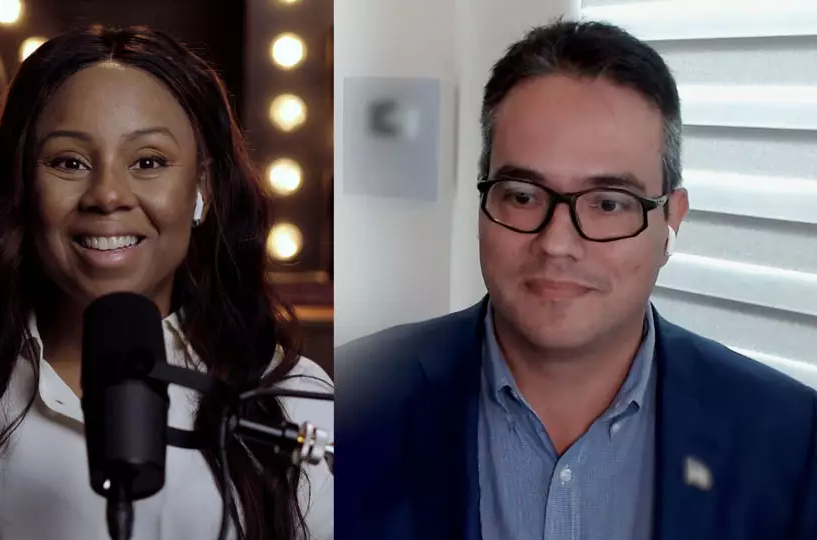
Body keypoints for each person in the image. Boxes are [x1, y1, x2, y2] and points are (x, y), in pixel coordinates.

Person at [337, 20, 817, 540]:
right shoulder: (352, 401)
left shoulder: (791, 439)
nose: (557, 243)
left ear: (670, 221)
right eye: (522, 195)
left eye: (609, 203)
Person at [0, 25, 333, 540]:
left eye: (148, 162)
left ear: (203, 188)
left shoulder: (293, 401)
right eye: (69, 162)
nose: (107, 195)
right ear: (22, 189)